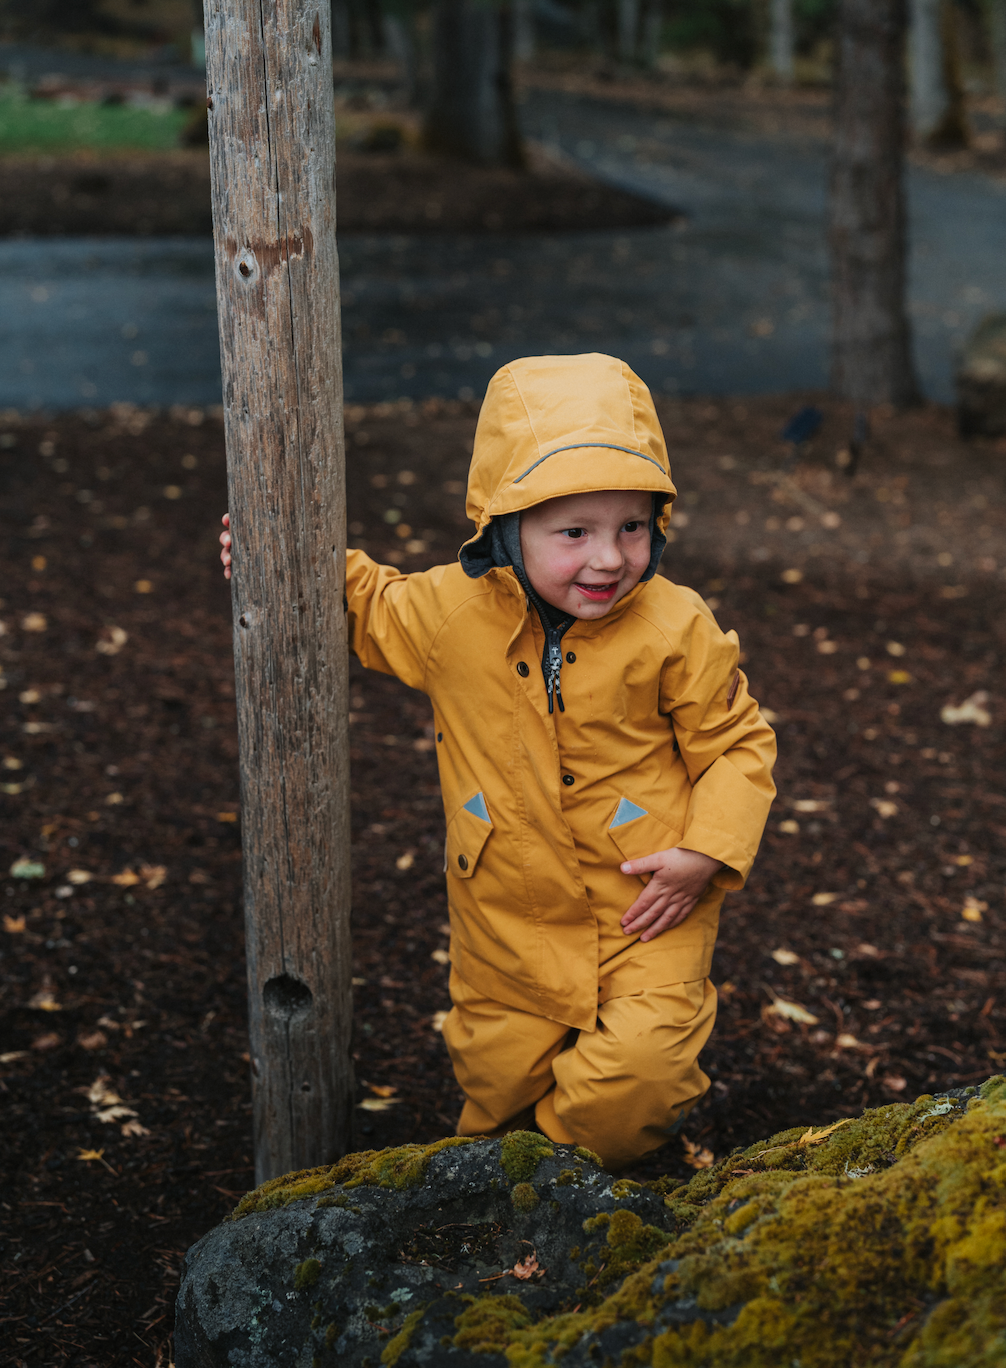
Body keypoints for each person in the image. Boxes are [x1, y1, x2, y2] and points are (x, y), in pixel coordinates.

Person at [220, 353, 776, 1171]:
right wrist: (277, 557)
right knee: (496, 1084)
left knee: (639, 1078)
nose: (609, 559)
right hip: (503, 914)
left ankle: (569, 1172)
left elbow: (737, 743)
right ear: (508, 530)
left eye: (631, 526)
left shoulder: (674, 625)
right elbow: (365, 604)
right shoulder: (452, 612)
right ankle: (507, 1202)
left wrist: (703, 853)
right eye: (574, 532)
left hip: (645, 904)